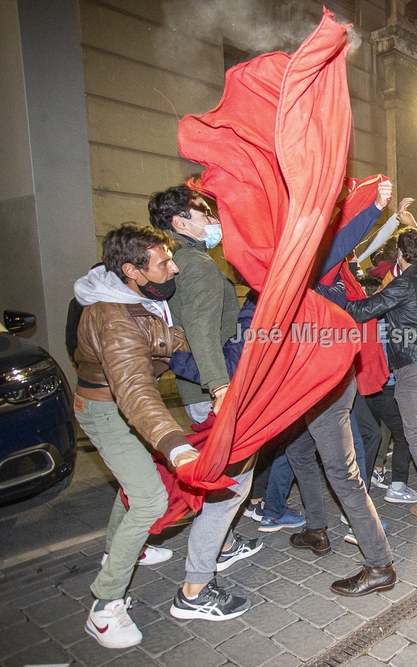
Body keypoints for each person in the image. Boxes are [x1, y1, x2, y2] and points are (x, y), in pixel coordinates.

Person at [73, 225, 237, 649]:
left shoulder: (137, 299)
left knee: (135, 480)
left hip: (122, 405)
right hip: (108, 409)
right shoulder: (113, 318)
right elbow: (135, 390)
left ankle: (120, 549)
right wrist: (174, 444)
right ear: (132, 270)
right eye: (163, 262)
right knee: (150, 499)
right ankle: (105, 606)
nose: (174, 266)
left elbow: (167, 339)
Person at [147, 187, 267, 621]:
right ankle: (195, 588)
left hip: (203, 388)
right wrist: (220, 389)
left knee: (216, 476)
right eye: (204, 213)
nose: (213, 219)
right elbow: (199, 331)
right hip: (213, 392)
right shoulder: (195, 266)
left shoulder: (184, 261)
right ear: (180, 222)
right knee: (231, 485)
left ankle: (226, 546)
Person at [346, 228, 417, 518]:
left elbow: (364, 311)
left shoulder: (401, 284)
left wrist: (337, 302)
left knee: (415, 433)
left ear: (399, 253)